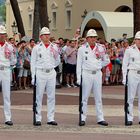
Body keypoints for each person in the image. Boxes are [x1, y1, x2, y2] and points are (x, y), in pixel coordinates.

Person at [76, 29, 110, 126]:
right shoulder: (82, 49)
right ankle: (82, 118)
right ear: (87, 38)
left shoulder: (101, 48)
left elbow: (106, 60)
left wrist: (99, 65)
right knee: (84, 97)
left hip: (97, 74)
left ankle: (100, 118)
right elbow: (79, 64)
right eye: (91, 37)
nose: (93, 39)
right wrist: (79, 78)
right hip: (86, 73)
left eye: (94, 37)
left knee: (98, 97)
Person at [31, 27, 60, 126]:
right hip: (40, 72)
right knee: (39, 96)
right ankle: (38, 117)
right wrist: (33, 77)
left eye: (48, 34)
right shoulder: (36, 48)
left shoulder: (54, 47)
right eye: (45, 35)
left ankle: (51, 118)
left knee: (51, 96)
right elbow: (33, 63)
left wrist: (51, 66)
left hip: (51, 72)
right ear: (41, 37)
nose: (47, 36)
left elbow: (57, 60)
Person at [122, 31, 140, 126]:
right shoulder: (129, 50)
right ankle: (129, 118)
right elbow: (124, 64)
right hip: (132, 73)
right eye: (138, 39)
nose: (139, 41)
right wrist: (124, 77)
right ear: (135, 40)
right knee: (131, 97)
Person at [0, 25, 17, 125]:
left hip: (6, 70)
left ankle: (8, 118)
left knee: (7, 95)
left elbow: (13, 60)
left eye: (3, 34)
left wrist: (9, 66)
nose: (2, 36)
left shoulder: (9, 47)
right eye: (1, 34)